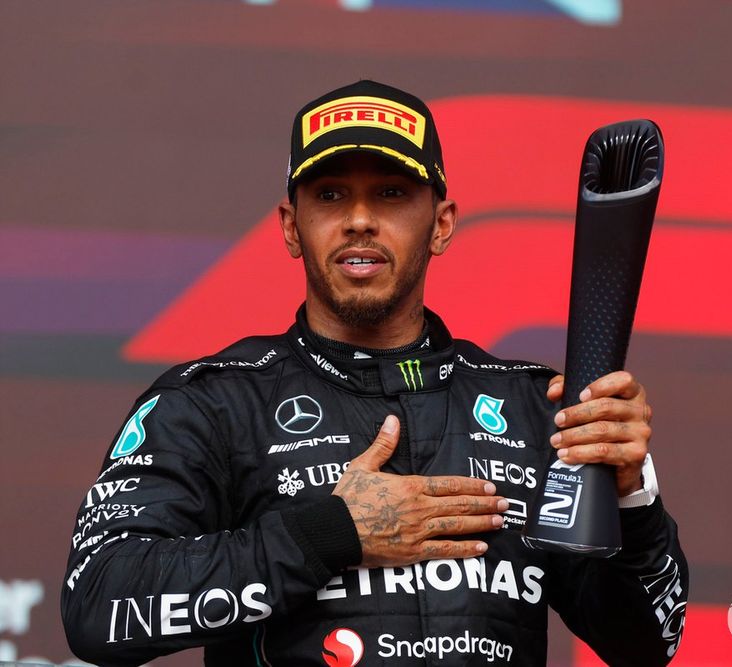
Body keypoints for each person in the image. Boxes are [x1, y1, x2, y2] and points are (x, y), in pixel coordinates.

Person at [61, 80, 687, 666]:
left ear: (441, 224)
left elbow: (646, 643)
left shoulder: (533, 406)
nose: (359, 219)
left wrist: (631, 497)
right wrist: (329, 534)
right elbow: (96, 605)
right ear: (290, 226)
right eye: (330, 195)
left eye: (391, 193)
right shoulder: (214, 403)